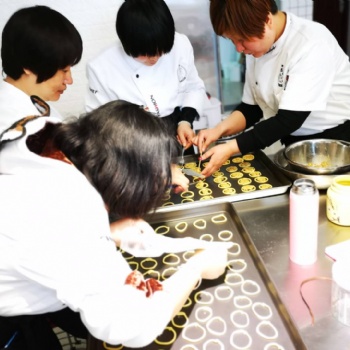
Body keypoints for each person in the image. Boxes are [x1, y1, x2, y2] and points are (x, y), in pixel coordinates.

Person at [0, 99, 231, 349]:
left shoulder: (50, 135)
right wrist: (196, 268)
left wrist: (109, 231)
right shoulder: (66, 221)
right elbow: (131, 324)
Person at [193, 0, 350, 177]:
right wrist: (217, 131)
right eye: (232, 40)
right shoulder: (257, 47)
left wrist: (230, 148)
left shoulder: (311, 43)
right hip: (293, 140)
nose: (239, 48)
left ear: (266, 20)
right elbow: (251, 109)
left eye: (242, 39)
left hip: (334, 143)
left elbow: (289, 119)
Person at [85, 0, 208, 153]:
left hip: (177, 130)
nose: (154, 59)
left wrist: (185, 122)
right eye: (146, 54)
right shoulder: (101, 67)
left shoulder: (181, 45)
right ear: (127, 43)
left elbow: (193, 87)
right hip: (132, 144)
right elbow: (97, 122)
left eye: (162, 51)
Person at [0, 5, 83, 133]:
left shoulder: (35, 105)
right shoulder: (19, 125)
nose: (69, 80)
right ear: (28, 65)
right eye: (64, 71)